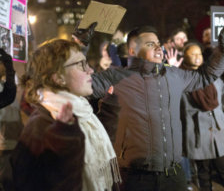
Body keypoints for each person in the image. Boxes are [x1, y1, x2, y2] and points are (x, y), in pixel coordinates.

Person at [91, 26, 224, 191]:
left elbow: (206, 76)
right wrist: (80, 44)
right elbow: (76, 85)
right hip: (135, 179)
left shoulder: (174, 75)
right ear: (132, 50)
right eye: (149, 44)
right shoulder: (116, 77)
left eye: (158, 43)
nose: (158, 47)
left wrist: (222, 50)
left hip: (174, 176)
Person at [10, 39, 121, 191]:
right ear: (58, 77)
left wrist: (109, 112)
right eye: (81, 65)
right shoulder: (43, 125)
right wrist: (62, 137)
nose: (90, 70)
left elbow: (94, 149)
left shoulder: (82, 110)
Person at [180, 41, 224, 191]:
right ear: (184, 56)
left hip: (218, 132)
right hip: (198, 134)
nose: (197, 57)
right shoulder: (181, 79)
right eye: (192, 54)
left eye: (199, 53)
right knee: (203, 176)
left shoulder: (211, 75)